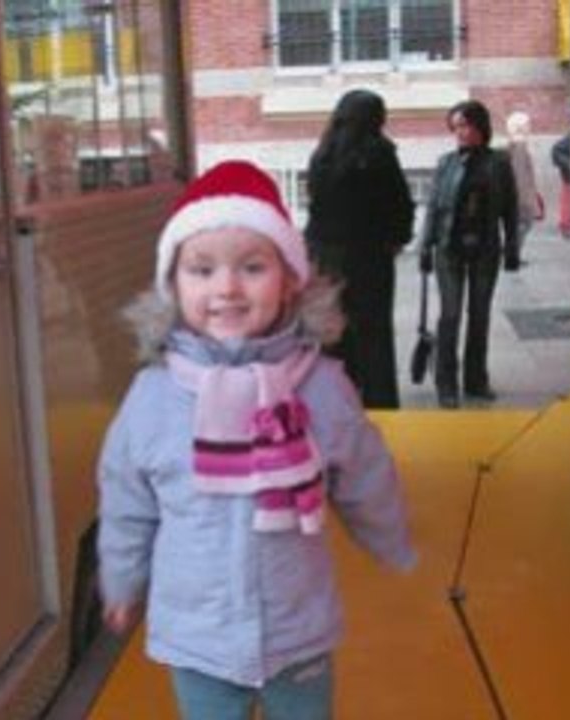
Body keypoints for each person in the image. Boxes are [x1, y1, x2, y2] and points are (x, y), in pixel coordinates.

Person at [96, 160, 417, 719]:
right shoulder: (154, 396)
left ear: (290, 278)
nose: (226, 288)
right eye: (201, 270)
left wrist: (388, 536)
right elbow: (127, 500)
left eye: (251, 267)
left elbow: (364, 471)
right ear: (172, 285)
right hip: (198, 635)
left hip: (297, 628)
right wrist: (122, 581)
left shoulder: (320, 386)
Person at [304, 89, 415, 409]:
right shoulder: (379, 152)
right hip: (369, 257)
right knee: (375, 336)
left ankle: (338, 404)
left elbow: (316, 208)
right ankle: (381, 407)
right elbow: (399, 204)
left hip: (326, 258)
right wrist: (397, 238)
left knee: (333, 337)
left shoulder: (322, 154)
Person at [419, 100, 521, 409]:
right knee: (450, 316)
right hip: (449, 249)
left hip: (485, 249)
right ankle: (446, 383)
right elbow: (434, 208)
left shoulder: (499, 163)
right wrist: (425, 245)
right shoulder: (445, 163)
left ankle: (476, 380)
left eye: (465, 125)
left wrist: (512, 246)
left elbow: (511, 209)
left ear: (480, 127)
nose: (460, 132)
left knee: (479, 316)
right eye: (456, 127)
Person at [505, 111, 541, 257]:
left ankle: (511, 252)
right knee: (524, 224)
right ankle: (512, 253)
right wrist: (525, 199)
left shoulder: (515, 144)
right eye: (527, 124)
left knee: (519, 225)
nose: (529, 127)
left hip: (517, 194)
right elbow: (520, 175)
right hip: (520, 196)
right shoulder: (520, 146)